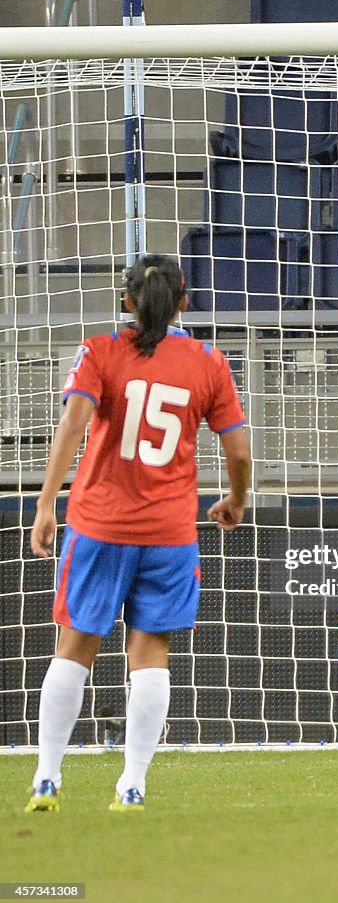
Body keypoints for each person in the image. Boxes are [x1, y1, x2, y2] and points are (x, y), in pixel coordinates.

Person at [25, 255, 251, 813]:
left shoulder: (98, 351)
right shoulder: (209, 362)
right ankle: (132, 785)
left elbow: (73, 424)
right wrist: (238, 498)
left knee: (74, 649)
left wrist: (47, 501)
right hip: (169, 532)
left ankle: (48, 779)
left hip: (99, 526)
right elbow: (240, 450)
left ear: (127, 300)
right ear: (184, 301)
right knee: (150, 655)